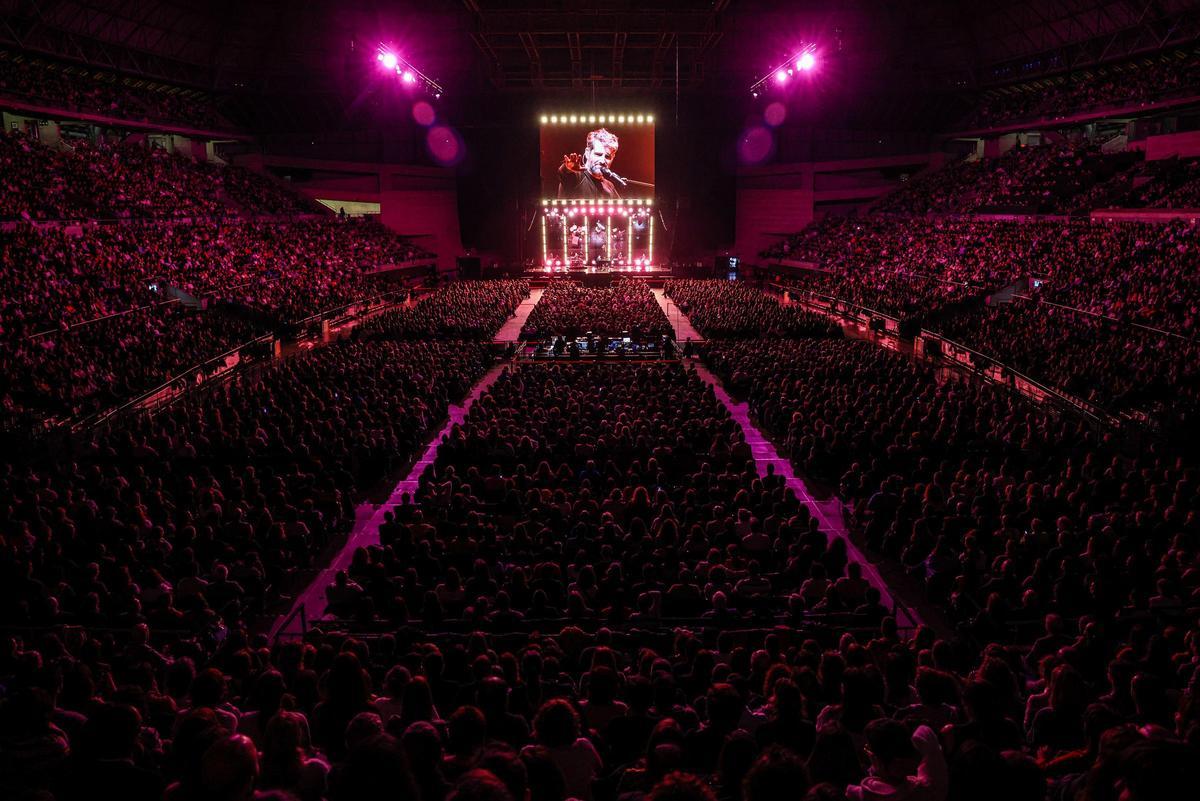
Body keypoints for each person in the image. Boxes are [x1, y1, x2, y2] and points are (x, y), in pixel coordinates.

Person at [558, 128, 621, 199]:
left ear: (613, 158)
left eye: (607, 156)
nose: (602, 161)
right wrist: (568, 168)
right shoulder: (576, 177)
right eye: (598, 154)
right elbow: (564, 173)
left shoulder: (609, 186)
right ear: (587, 153)